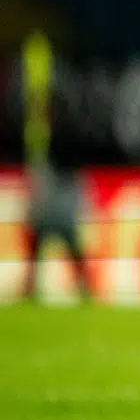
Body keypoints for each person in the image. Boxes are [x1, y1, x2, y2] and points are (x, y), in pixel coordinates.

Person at [16, 31, 92, 301]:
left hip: (58, 200)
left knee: (59, 245)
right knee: (45, 245)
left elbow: (69, 164)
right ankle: (33, 289)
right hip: (54, 199)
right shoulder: (54, 136)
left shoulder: (61, 137)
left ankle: (82, 287)